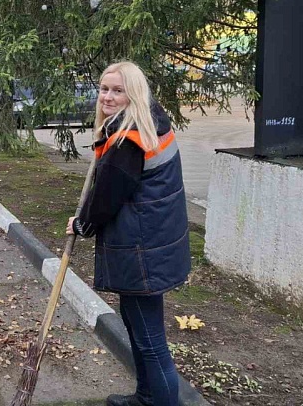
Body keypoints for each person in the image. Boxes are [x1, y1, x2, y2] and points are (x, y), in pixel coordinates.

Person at [66, 61, 190, 406]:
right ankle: (147, 396)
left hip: (142, 250)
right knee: (138, 328)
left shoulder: (128, 140)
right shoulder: (144, 123)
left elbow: (108, 198)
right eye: (104, 89)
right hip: (151, 245)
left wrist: (83, 225)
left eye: (117, 90)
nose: (107, 96)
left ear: (133, 94)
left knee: (150, 339)